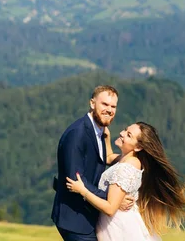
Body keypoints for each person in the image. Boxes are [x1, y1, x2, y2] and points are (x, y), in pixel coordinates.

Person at [66, 121, 185, 241]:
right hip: (120, 223)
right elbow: (109, 157)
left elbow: (110, 208)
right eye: (125, 130)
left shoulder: (125, 168)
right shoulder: (130, 160)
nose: (122, 133)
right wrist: (107, 138)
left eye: (128, 135)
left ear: (138, 147)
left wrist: (83, 191)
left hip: (117, 227)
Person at [51, 85, 134, 241]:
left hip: (88, 216)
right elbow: (75, 181)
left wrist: (134, 159)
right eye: (105, 104)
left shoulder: (100, 131)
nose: (109, 110)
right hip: (75, 219)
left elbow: (105, 158)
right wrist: (113, 201)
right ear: (92, 103)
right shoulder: (77, 134)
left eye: (113, 106)